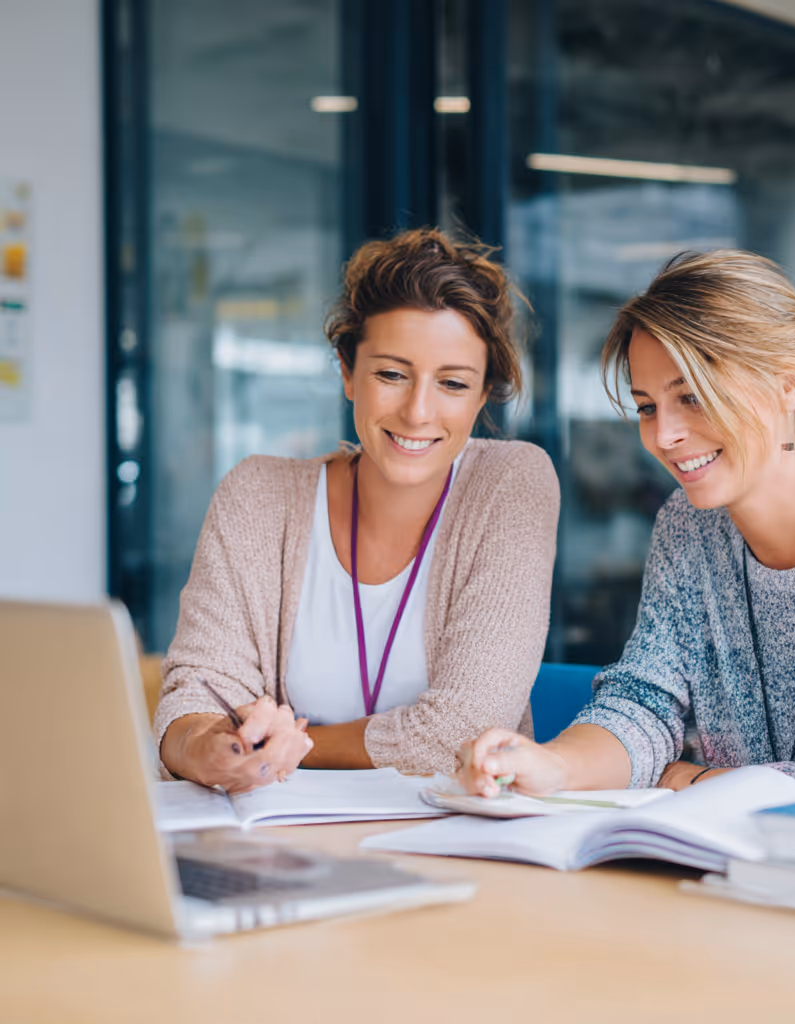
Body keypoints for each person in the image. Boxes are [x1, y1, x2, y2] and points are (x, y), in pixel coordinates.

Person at [458, 249, 795, 799]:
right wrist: (551, 765)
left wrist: (697, 780)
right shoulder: (688, 525)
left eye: (692, 397)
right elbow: (645, 704)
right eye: (647, 406)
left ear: (787, 386)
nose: (663, 436)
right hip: (757, 865)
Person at [156, 228, 559, 792]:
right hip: (282, 842)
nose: (418, 411)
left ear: (484, 393)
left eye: (452, 383)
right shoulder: (258, 495)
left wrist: (293, 750)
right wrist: (205, 748)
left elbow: (460, 732)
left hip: (458, 847)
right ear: (347, 372)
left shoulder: (510, 482)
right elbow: (196, 691)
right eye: (391, 374)